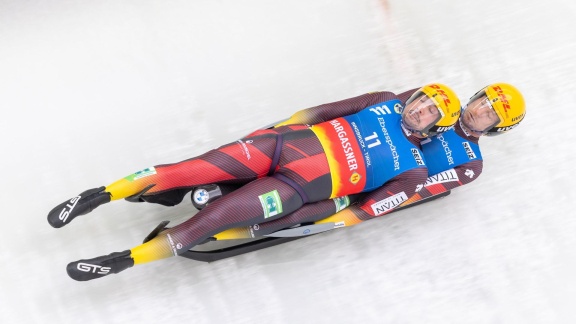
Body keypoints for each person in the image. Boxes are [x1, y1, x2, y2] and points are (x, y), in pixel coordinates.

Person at [47, 83, 461, 281]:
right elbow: (316, 112)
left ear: (432, 130)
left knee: (213, 219)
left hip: (296, 189)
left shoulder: (414, 171)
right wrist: (269, 131)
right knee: (188, 169)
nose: (419, 109)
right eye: (421, 100)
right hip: (280, 146)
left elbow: (363, 210)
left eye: (427, 113)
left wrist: (312, 220)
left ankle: (123, 260)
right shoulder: (382, 100)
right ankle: (97, 195)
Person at [211, 83, 526, 239]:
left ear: (498, 127)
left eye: (491, 113)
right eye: (483, 101)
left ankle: (240, 227)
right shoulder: (433, 100)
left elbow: (419, 189)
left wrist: (359, 210)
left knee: (313, 206)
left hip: (362, 183)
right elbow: (376, 111)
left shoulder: (471, 164)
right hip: (340, 147)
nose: (480, 110)